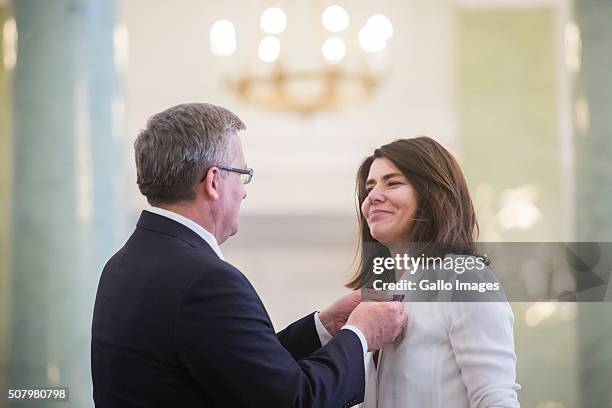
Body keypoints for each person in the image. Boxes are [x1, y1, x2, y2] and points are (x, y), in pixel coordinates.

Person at [91, 103, 408, 408]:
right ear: (214, 181)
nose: (243, 191)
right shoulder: (206, 281)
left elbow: (239, 370)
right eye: (241, 174)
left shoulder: (121, 265)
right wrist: (360, 334)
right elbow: (295, 400)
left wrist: (324, 326)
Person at [347, 137, 521, 407]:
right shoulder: (385, 296)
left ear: (431, 194)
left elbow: (495, 398)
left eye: (392, 183)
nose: (373, 196)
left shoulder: (465, 277)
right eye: (370, 188)